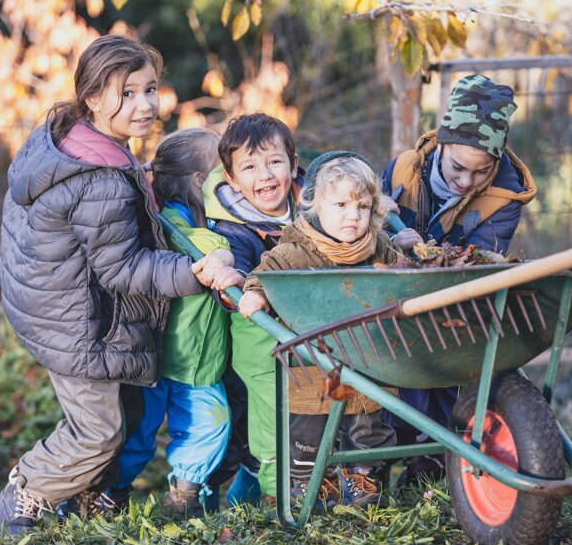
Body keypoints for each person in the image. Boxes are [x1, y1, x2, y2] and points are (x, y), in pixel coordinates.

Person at [0, 34, 237, 537]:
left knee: (114, 419)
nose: (145, 104)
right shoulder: (100, 178)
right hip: (75, 322)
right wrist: (193, 274)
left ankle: (84, 501)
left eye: (150, 89)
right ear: (93, 98)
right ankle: (25, 492)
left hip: (50, 302)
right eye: (126, 94)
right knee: (98, 432)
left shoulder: (68, 139)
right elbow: (122, 268)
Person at [77, 128, 244, 519]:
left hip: (199, 365)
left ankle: (184, 495)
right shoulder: (168, 223)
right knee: (137, 435)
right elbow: (194, 246)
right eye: (225, 174)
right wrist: (222, 252)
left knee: (211, 424)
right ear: (201, 182)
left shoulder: (219, 223)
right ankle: (108, 495)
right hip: (155, 359)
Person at [381, 73, 537, 490]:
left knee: (451, 373)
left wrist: (429, 252)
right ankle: (386, 458)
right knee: (392, 373)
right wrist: (387, 230)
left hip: (458, 305)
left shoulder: (504, 199)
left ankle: (434, 462)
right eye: (457, 167)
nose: (465, 181)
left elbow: (477, 260)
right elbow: (368, 231)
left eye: (480, 171)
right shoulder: (401, 171)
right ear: (441, 143)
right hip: (396, 302)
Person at [238, 151, 400, 508]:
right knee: (308, 427)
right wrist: (257, 292)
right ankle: (308, 482)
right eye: (340, 204)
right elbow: (267, 270)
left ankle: (363, 476)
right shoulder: (298, 249)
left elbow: (401, 274)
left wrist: (407, 262)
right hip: (310, 356)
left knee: (367, 421)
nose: (352, 215)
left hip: (365, 354)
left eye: (362, 206)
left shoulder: (378, 248)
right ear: (315, 206)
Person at [202, 113, 304, 504]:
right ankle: (278, 495)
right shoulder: (233, 227)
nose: (264, 175)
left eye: (274, 162)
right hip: (259, 329)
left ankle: (259, 489)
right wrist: (233, 274)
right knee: (273, 411)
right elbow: (234, 264)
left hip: (310, 318)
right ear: (231, 180)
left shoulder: (314, 206)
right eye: (249, 166)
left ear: (293, 166)